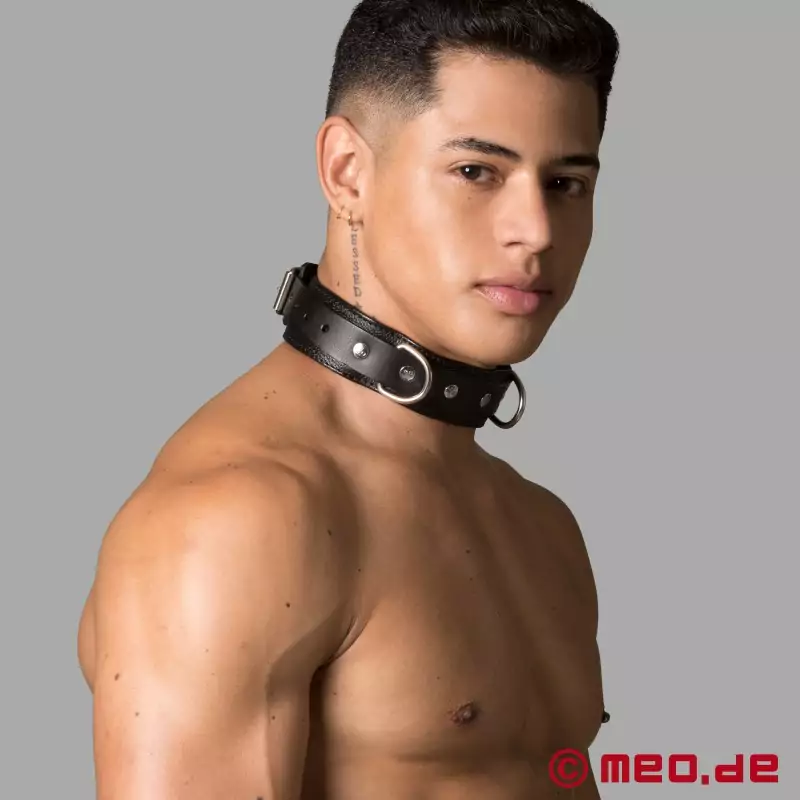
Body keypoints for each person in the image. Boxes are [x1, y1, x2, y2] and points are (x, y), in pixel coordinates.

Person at [77, 0, 620, 797]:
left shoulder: (541, 523)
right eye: (477, 172)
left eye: (566, 183)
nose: (535, 230)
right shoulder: (238, 520)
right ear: (347, 173)